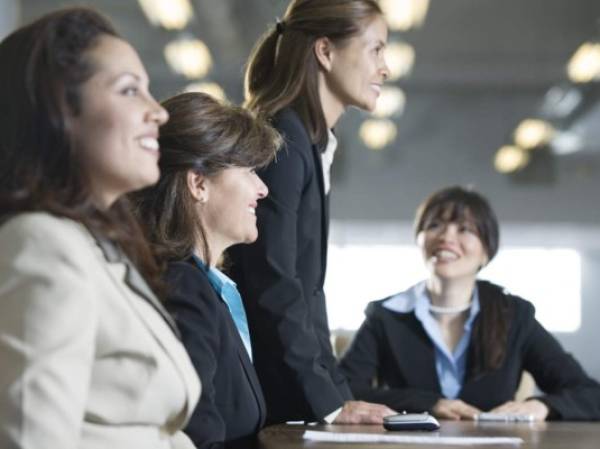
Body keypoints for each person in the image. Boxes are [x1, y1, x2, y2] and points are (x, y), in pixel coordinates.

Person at [0, 8, 201, 448]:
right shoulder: (42, 244)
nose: (157, 112)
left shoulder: (97, 248)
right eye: (130, 90)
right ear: (59, 112)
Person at [227, 0, 394, 425]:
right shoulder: (283, 138)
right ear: (325, 51)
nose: (385, 68)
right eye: (376, 49)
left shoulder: (310, 141)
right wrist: (328, 403)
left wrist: (338, 396)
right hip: (257, 400)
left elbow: (306, 296)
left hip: (279, 392)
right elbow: (273, 284)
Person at [340, 186, 600, 421]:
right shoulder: (385, 315)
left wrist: (542, 407)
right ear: (419, 240)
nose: (446, 237)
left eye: (464, 229)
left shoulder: (515, 315)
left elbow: (588, 394)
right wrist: (428, 404)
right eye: (433, 226)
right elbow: (343, 389)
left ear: (487, 250)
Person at [133, 92, 281, 448]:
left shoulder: (203, 285)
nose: (262, 189)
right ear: (198, 183)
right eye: (249, 171)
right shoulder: (182, 286)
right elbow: (197, 435)